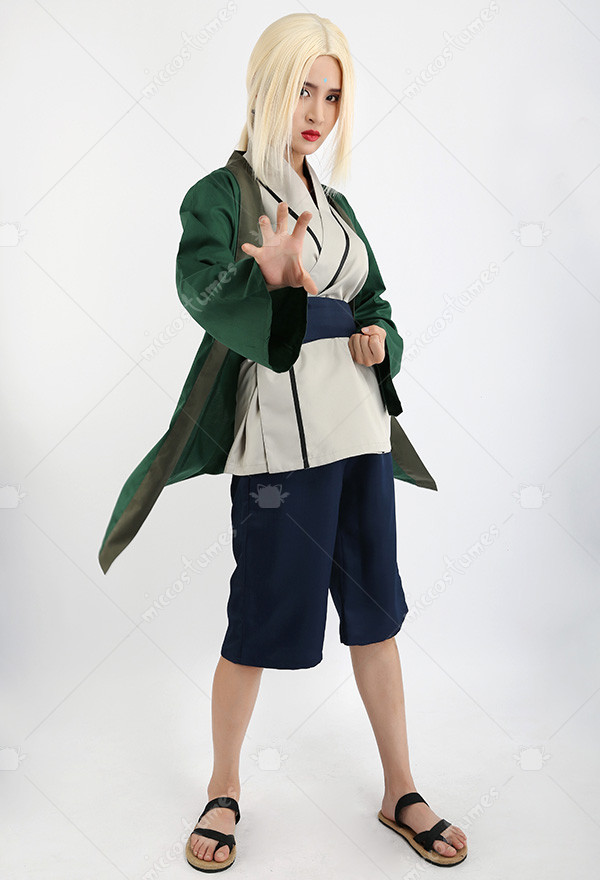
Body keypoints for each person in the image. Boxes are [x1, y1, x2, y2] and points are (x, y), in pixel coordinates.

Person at [181, 12, 468, 873]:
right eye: (303, 89)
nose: (317, 111)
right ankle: (223, 786)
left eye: (333, 95)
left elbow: (373, 301)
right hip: (278, 447)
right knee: (258, 616)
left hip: (359, 434)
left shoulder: (337, 208)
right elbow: (202, 293)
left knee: (376, 612)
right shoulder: (219, 196)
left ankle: (400, 788)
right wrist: (270, 287)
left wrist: (380, 340)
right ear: (267, 87)